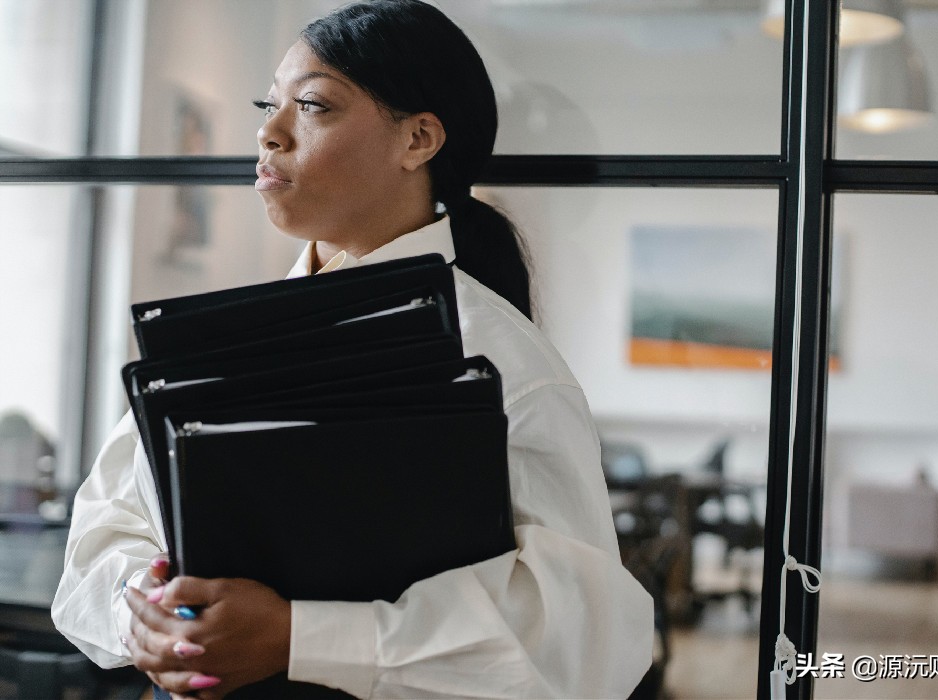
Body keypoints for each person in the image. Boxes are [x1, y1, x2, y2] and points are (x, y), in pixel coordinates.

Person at [52, 1, 653, 698]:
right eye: (268, 105)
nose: (269, 132)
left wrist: (298, 638)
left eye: (312, 106)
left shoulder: (506, 365)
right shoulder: (220, 338)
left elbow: (579, 644)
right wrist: (147, 615)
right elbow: (105, 532)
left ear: (418, 139)